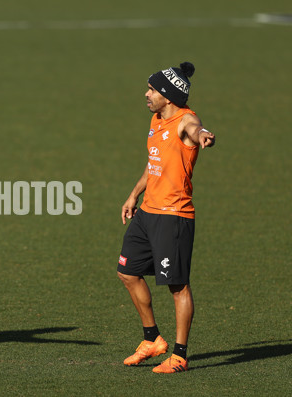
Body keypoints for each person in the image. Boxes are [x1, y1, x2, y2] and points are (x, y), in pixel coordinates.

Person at [117, 62, 215, 373]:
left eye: (152, 90)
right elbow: (154, 162)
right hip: (147, 213)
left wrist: (202, 135)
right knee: (128, 272)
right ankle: (152, 340)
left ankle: (180, 355)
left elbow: (194, 128)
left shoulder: (185, 121)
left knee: (177, 286)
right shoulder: (157, 119)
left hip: (173, 216)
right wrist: (134, 195)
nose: (147, 94)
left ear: (169, 96)